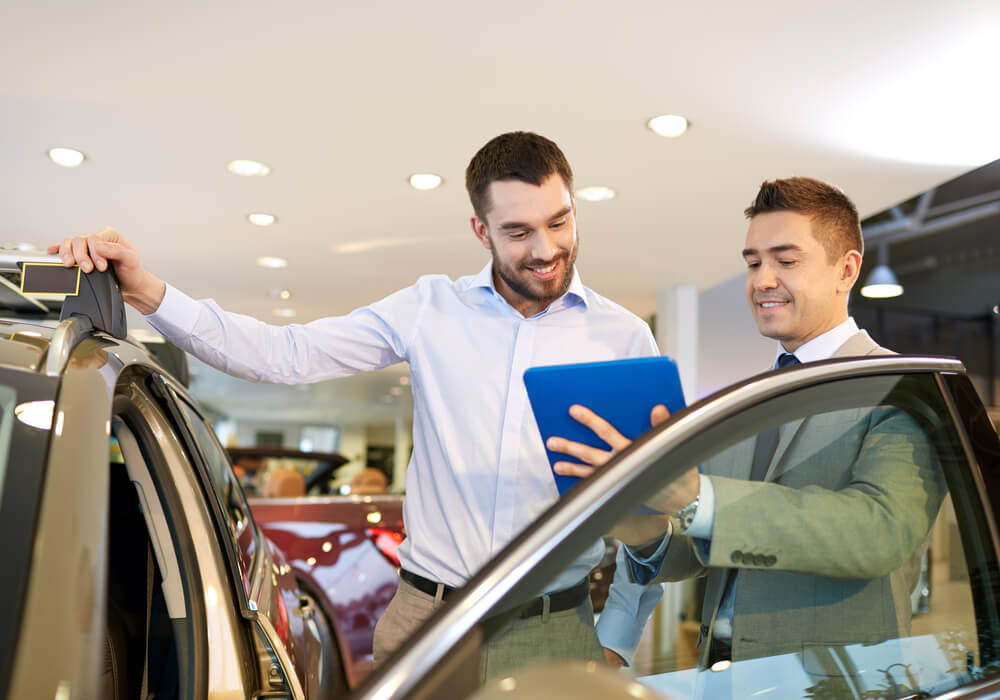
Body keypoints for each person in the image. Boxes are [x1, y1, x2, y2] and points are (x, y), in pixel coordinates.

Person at [52, 131, 662, 675]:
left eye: (559, 222)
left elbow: (654, 500)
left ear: (575, 208)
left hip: (554, 632)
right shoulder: (430, 308)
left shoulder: (624, 339)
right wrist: (150, 292)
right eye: (518, 231)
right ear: (481, 231)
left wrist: (618, 638)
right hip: (427, 624)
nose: (545, 248)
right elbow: (284, 354)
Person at [547, 177, 945, 667]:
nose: (761, 280)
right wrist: (631, 517)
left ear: (847, 270)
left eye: (786, 260)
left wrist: (696, 497)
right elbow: (702, 552)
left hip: (832, 683)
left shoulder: (903, 389)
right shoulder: (751, 402)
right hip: (719, 676)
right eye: (753, 262)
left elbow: (878, 533)